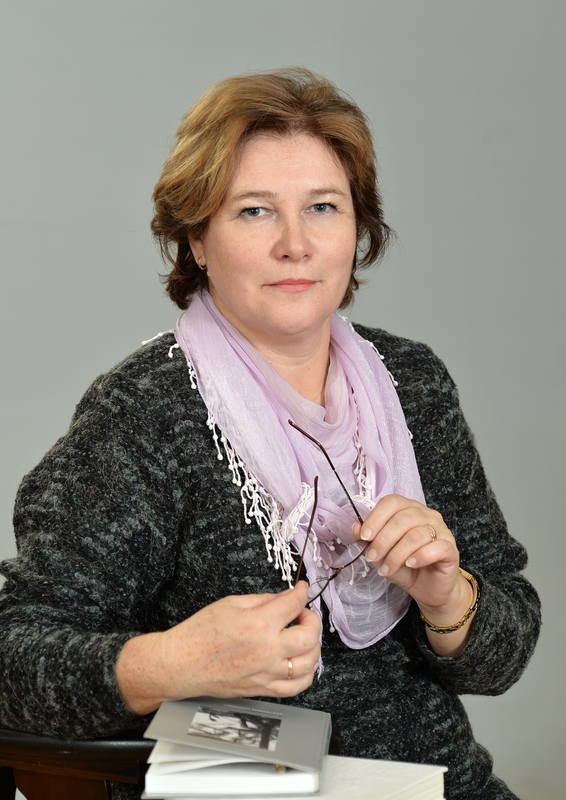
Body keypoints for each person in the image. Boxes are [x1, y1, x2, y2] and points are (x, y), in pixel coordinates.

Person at [0, 68, 540, 800]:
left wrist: (450, 600)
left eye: (323, 207)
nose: (296, 244)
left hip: (439, 788)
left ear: (358, 230)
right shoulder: (146, 412)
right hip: (251, 789)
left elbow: (503, 653)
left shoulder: (412, 382)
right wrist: (173, 663)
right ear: (197, 238)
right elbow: (14, 659)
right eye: (254, 211)